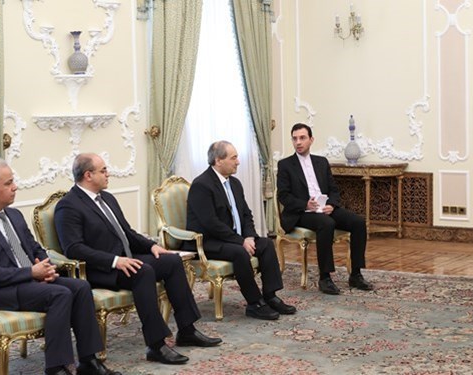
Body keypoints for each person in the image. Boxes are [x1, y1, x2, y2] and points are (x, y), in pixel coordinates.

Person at [0, 158, 119, 375]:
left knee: (80, 287)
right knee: (59, 294)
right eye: (9, 183)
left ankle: (89, 361)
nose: (15, 187)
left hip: (31, 279)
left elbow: (34, 248)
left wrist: (46, 266)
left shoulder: (14, 215)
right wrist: (30, 272)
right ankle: (56, 367)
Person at [54, 153, 221, 366]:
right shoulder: (68, 206)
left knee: (171, 262)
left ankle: (187, 330)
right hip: (101, 269)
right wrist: (115, 261)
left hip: (126, 260)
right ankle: (156, 344)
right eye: (103, 170)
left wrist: (152, 247)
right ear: (88, 175)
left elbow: (127, 233)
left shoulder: (107, 198)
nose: (108, 174)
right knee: (143, 272)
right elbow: (74, 249)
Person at [183, 141, 296, 321]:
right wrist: (240, 241)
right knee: (239, 252)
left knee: (266, 244)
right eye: (233, 157)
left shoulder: (235, 183)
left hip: (231, 238)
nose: (238, 162)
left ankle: (270, 296)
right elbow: (210, 223)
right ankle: (254, 303)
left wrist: (249, 236)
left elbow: (246, 214)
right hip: (207, 242)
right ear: (218, 161)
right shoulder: (201, 185)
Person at [277, 123, 374, 295]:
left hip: (324, 208)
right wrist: (305, 204)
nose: (298, 142)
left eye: (302, 138)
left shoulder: (321, 162)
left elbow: (334, 190)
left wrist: (332, 205)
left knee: (358, 223)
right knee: (326, 224)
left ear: (311, 140)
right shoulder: (285, 165)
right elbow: (283, 196)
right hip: (302, 213)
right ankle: (325, 277)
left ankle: (356, 274)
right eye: (295, 138)